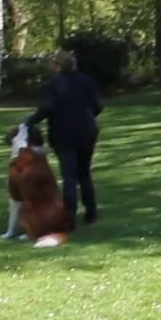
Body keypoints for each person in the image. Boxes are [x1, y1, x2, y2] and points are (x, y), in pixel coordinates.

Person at [26, 49, 103, 227]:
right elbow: (97, 106)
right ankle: (91, 213)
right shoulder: (86, 81)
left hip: (62, 133)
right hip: (86, 131)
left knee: (69, 176)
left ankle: (69, 216)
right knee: (84, 174)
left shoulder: (52, 84)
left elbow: (46, 108)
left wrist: (31, 120)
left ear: (57, 64)